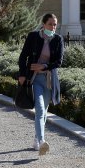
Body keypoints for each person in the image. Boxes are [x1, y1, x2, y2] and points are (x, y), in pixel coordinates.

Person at [18, 13, 64, 156]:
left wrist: (43, 66)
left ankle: (36, 139)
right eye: (50, 24)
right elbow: (23, 56)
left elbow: (58, 61)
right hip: (35, 80)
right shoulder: (33, 37)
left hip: (49, 80)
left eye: (55, 24)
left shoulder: (58, 39)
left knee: (44, 112)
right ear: (43, 24)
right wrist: (22, 74)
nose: (53, 27)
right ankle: (43, 141)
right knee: (39, 109)